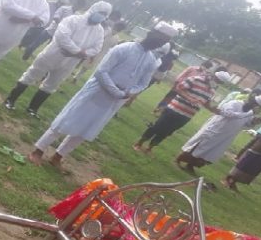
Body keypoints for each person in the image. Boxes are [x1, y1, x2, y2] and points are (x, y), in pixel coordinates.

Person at [27, 22, 176, 171]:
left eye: (163, 42)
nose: (159, 43)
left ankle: (58, 156)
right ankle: (38, 150)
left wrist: (128, 92)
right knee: (67, 120)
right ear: (150, 33)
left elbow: (143, 83)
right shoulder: (123, 48)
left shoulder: (151, 61)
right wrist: (115, 90)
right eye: (159, 38)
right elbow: (101, 71)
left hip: (114, 101)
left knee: (87, 129)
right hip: (96, 92)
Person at [3, 1, 112, 117]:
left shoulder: (99, 31)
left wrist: (79, 54)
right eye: (101, 13)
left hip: (71, 62)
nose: (102, 16)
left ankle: (32, 109)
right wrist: (77, 51)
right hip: (53, 54)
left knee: (52, 84)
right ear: (93, 9)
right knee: (32, 74)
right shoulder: (73, 20)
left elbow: (97, 48)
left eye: (105, 15)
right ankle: (10, 99)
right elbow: (62, 36)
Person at [133, 70, 231, 154]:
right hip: (174, 108)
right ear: (214, 77)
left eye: (220, 83)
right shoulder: (196, 79)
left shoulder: (212, 91)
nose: (218, 83)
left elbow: (206, 103)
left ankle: (150, 148)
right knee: (157, 126)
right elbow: (178, 88)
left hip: (187, 115)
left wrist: (214, 110)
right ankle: (139, 143)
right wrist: (189, 98)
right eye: (218, 81)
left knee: (167, 132)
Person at [175, 94, 261, 175]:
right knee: (199, 146)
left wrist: (253, 122)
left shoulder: (249, 113)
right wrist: (250, 113)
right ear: (252, 102)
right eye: (256, 106)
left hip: (226, 136)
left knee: (210, 153)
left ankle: (191, 165)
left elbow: (244, 124)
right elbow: (229, 114)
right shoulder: (235, 103)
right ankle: (178, 160)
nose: (257, 109)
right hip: (216, 130)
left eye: (259, 108)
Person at [21, 0, 87, 61]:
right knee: (37, 43)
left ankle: (42, 60)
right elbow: (56, 17)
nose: (79, 7)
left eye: (81, 6)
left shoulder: (77, 16)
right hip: (51, 30)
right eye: (79, 4)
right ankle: (26, 55)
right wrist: (62, 26)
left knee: (50, 50)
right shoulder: (64, 8)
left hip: (60, 35)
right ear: (75, 3)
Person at [71, 11, 125, 83]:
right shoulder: (106, 31)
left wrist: (120, 43)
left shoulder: (116, 38)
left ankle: (76, 77)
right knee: (80, 60)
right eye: (117, 27)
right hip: (92, 48)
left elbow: (113, 46)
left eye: (119, 29)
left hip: (101, 54)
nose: (117, 30)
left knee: (87, 66)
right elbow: (98, 39)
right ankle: (72, 71)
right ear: (115, 26)